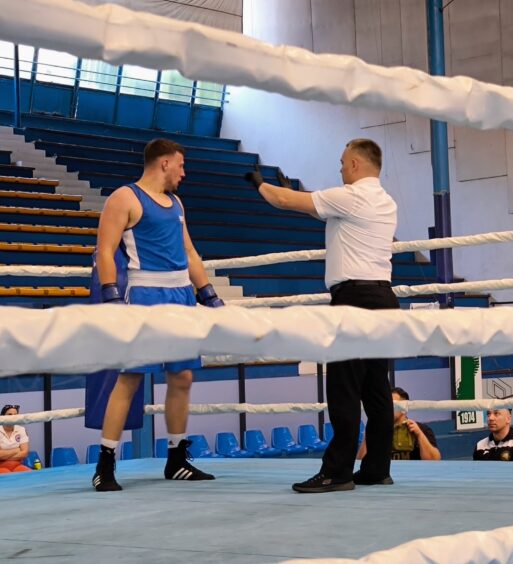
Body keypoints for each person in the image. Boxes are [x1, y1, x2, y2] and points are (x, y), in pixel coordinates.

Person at [248, 140, 400, 492]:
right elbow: (320, 209)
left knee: (344, 387)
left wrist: (259, 183)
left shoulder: (351, 197)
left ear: (356, 164)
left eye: (343, 162)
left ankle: (337, 472)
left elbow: (284, 200)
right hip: (383, 297)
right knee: (376, 388)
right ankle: (377, 468)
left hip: (355, 300)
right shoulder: (385, 201)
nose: (340, 168)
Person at [91, 139, 221, 492]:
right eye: (181, 164)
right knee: (130, 378)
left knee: (182, 377)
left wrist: (209, 295)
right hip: (145, 295)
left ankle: (176, 459)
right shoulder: (125, 198)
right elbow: (104, 251)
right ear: (164, 163)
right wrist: (111, 296)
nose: (184, 172)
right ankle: (105, 463)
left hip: (181, 295)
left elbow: (189, 251)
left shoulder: (176, 203)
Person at [358, 388, 441, 462]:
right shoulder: (378, 431)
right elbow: (360, 462)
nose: (389, 408)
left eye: (394, 405)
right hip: (386, 474)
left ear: (404, 408)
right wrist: (368, 435)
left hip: (413, 474)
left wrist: (419, 434)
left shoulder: (422, 429)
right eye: (387, 404)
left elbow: (434, 460)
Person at [0, 405, 30, 474]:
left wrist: (4, 455)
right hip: (1, 467)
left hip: (18, 465)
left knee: (29, 475)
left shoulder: (21, 429)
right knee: (8, 477)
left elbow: (24, 453)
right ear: (2, 416)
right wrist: (17, 450)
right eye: (9, 414)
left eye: (15, 415)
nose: (13, 417)